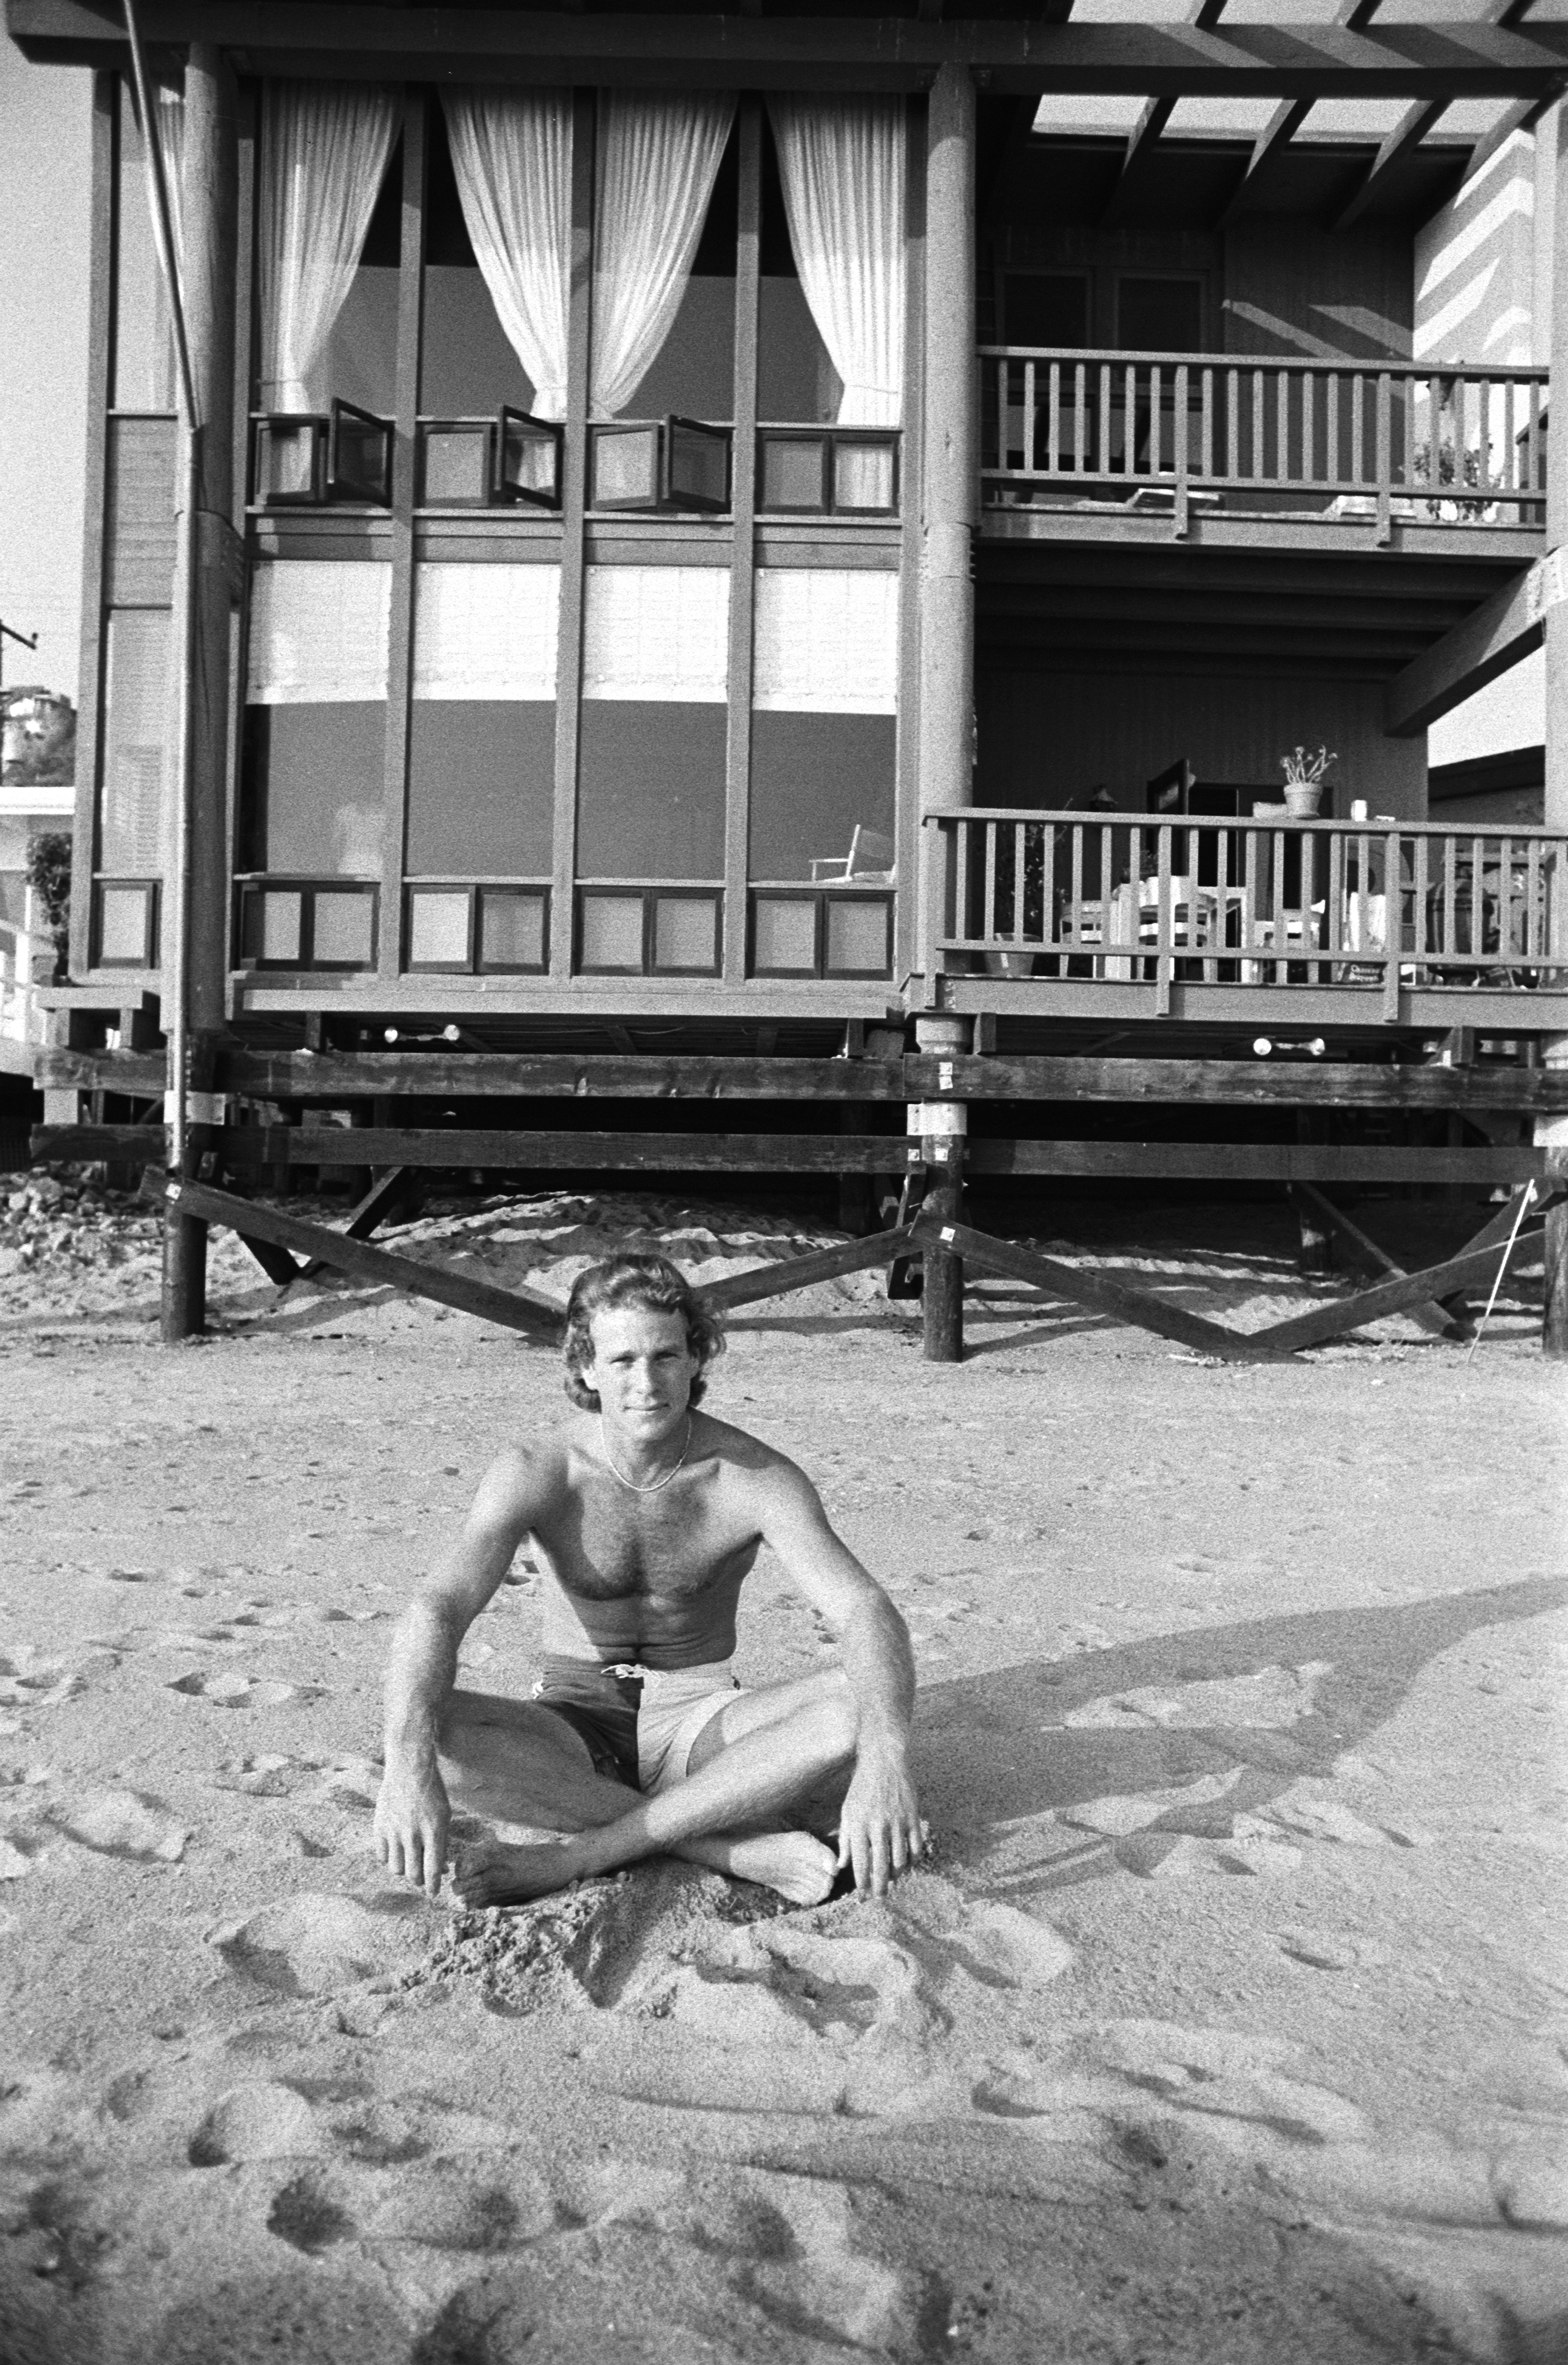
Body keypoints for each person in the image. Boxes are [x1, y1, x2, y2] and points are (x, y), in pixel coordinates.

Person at [373, 1250, 923, 1911]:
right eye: (623, 1361)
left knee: (853, 1707)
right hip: (572, 1720)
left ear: (696, 1359)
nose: (647, 1383)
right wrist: (405, 1767)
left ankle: (585, 1853)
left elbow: (864, 1609)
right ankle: (719, 1844)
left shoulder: (754, 1478)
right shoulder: (538, 1470)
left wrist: (887, 1760)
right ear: (585, 1367)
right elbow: (438, 1610)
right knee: (429, 1731)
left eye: (665, 1356)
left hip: (703, 1718)